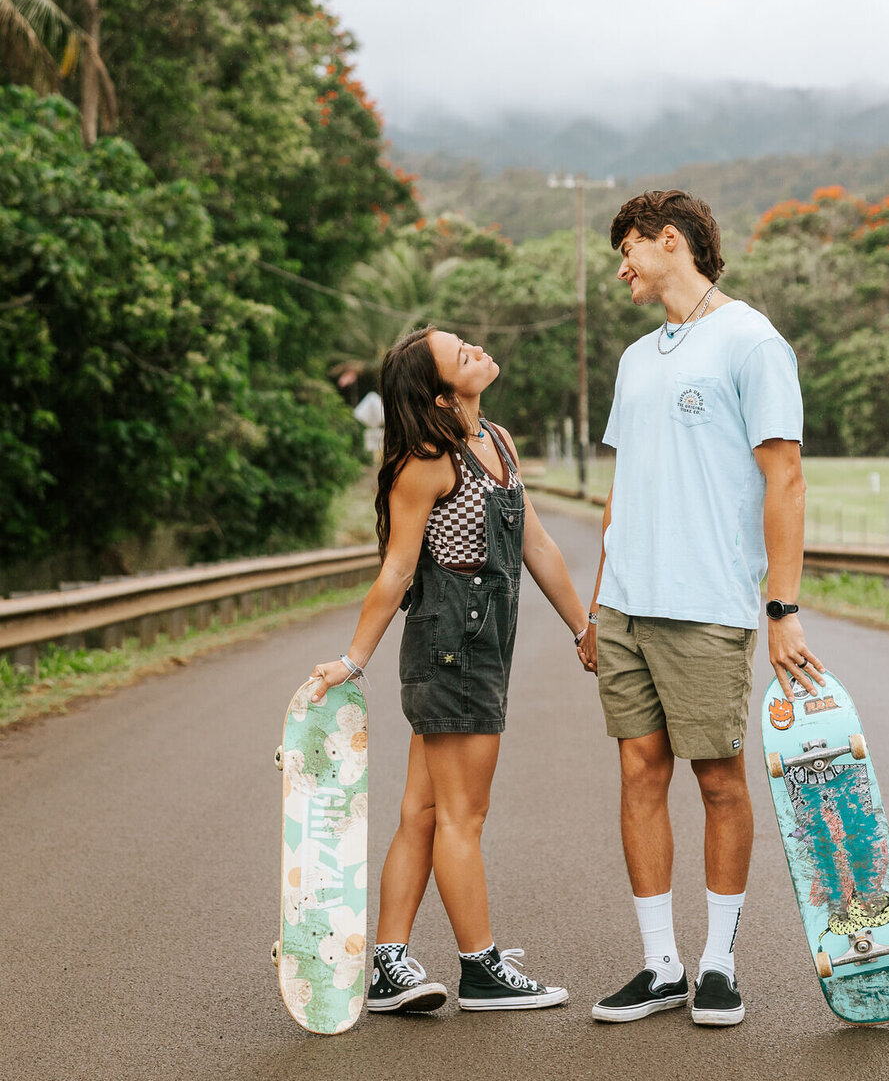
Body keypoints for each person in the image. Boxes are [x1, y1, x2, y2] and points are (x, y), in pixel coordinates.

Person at [580, 190, 824, 1028]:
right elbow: (623, 492)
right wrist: (595, 602)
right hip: (626, 606)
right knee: (638, 772)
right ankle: (659, 966)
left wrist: (781, 606)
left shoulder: (752, 341)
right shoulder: (637, 358)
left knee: (718, 777)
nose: (623, 268)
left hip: (708, 603)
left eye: (630, 250)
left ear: (671, 242)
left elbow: (783, 476)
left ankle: (718, 964)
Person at [310, 325, 595, 1016]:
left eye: (467, 342)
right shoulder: (427, 461)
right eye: (459, 354)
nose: (475, 350)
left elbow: (539, 543)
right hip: (451, 648)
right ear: (441, 393)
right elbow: (399, 569)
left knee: (424, 810)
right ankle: (481, 968)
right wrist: (353, 660)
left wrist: (583, 626)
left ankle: (387, 964)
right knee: (463, 816)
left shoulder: (496, 442)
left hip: (482, 645)